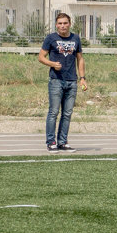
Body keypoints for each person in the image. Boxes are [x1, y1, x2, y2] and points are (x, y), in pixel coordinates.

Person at [37, 13, 87, 152]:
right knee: (53, 112)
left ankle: (63, 142)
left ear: (69, 24)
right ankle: (51, 142)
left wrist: (82, 78)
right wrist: (52, 64)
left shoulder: (75, 38)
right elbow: (41, 57)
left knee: (67, 113)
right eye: (60, 23)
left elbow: (80, 59)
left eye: (65, 23)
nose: (62, 26)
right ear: (56, 25)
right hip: (56, 81)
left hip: (72, 81)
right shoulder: (51, 38)